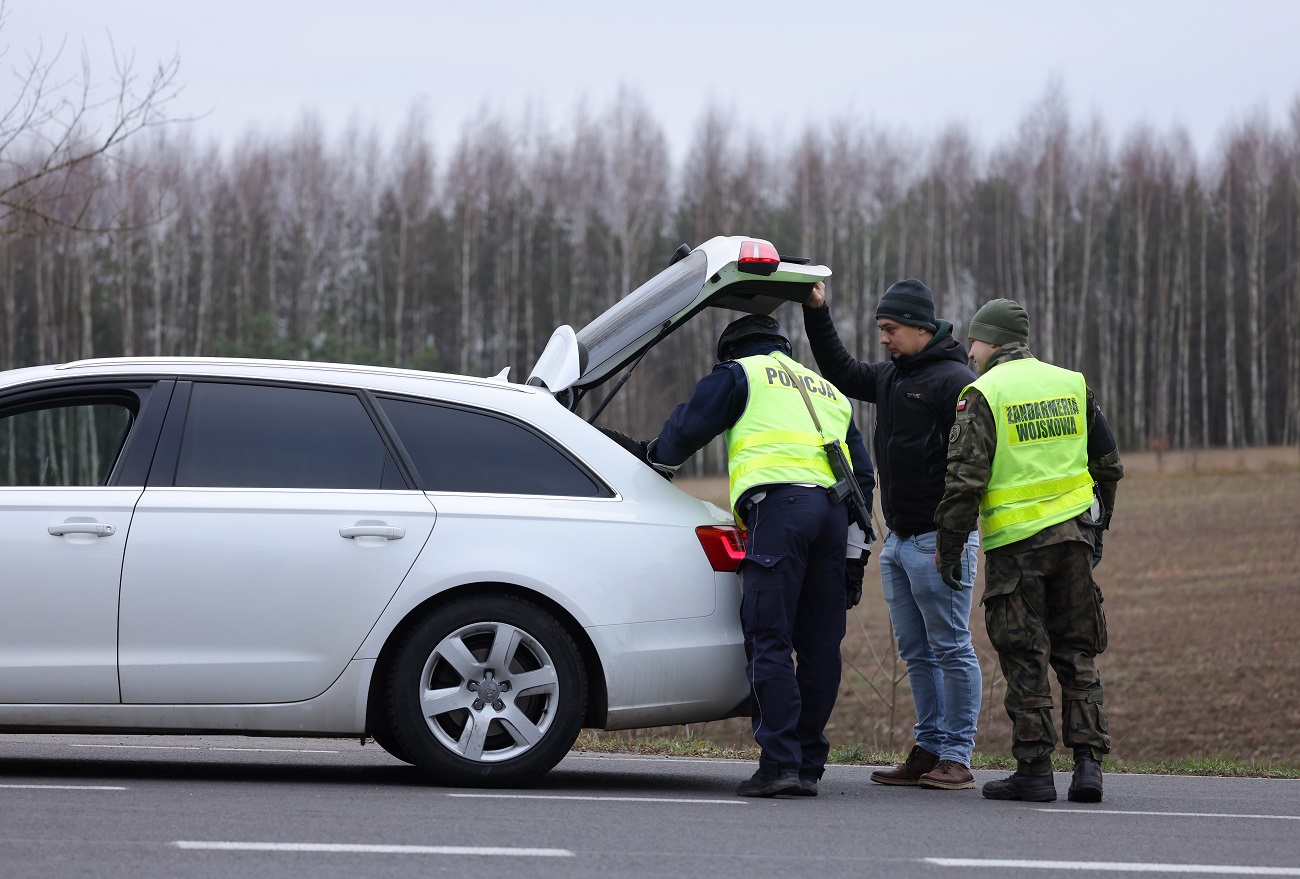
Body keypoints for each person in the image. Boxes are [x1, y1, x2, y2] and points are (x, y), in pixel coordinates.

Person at [648, 312, 876, 798]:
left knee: (769, 636)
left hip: (782, 511)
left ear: (730, 350)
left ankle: (779, 765)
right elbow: (864, 478)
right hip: (834, 519)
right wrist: (855, 558)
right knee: (819, 645)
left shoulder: (739, 373)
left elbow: (682, 434)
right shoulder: (826, 390)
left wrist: (651, 459)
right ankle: (809, 764)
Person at [934, 298, 1123, 803]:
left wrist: (949, 551)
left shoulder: (983, 393)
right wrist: (1097, 528)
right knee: (1077, 653)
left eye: (973, 340)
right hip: (1074, 540)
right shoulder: (1071, 383)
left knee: (1025, 657)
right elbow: (1108, 465)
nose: (969, 351)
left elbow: (964, 483)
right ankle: (1089, 767)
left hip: (1017, 549)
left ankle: (1035, 772)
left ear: (990, 341)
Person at [803, 278, 983, 791]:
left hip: (939, 542)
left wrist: (953, 538)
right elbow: (839, 371)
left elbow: (973, 467)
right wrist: (817, 311)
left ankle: (957, 755)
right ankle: (928, 750)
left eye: (892, 329)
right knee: (917, 653)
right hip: (899, 542)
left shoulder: (955, 382)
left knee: (951, 647)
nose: (884, 338)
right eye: (881, 329)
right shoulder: (891, 377)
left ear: (923, 328)